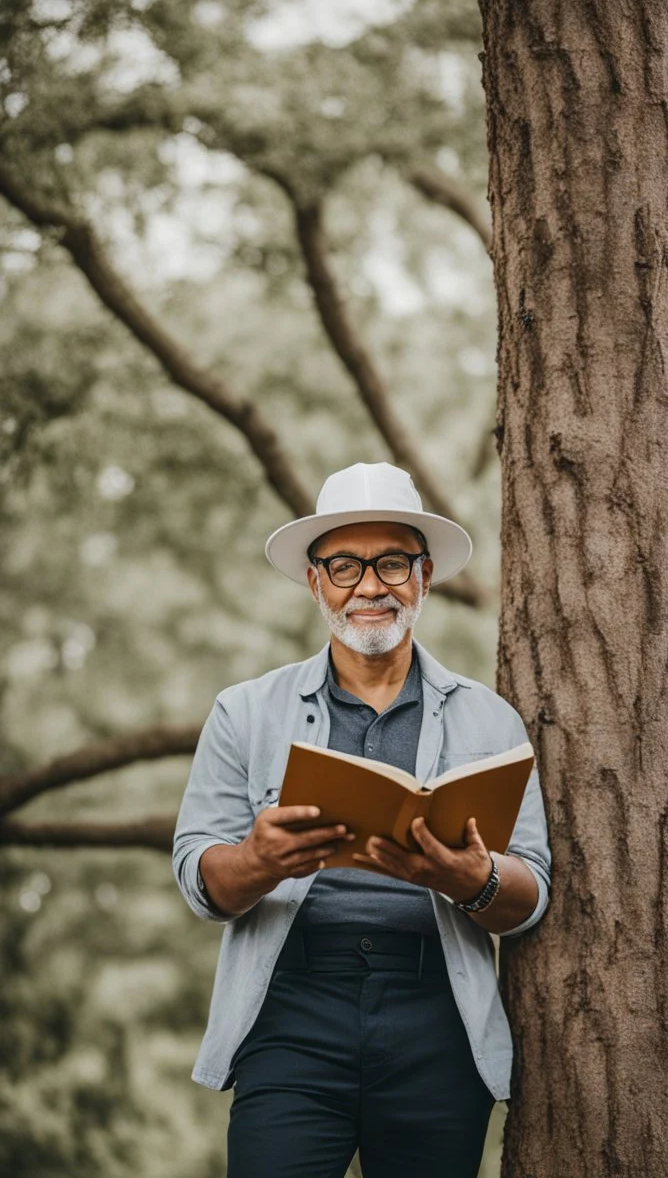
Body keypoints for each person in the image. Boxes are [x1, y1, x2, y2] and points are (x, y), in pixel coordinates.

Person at [172, 461, 551, 1178]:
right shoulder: (245, 713)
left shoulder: (490, 720)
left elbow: (532, 896)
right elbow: (199, 879)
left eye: (391, 564)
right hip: (291, 1016)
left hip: (438, 1019)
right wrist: (259, 860)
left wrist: (471, 880)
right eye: (344, 566)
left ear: (425, 576)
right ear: (315, 582)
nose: (369, 587)